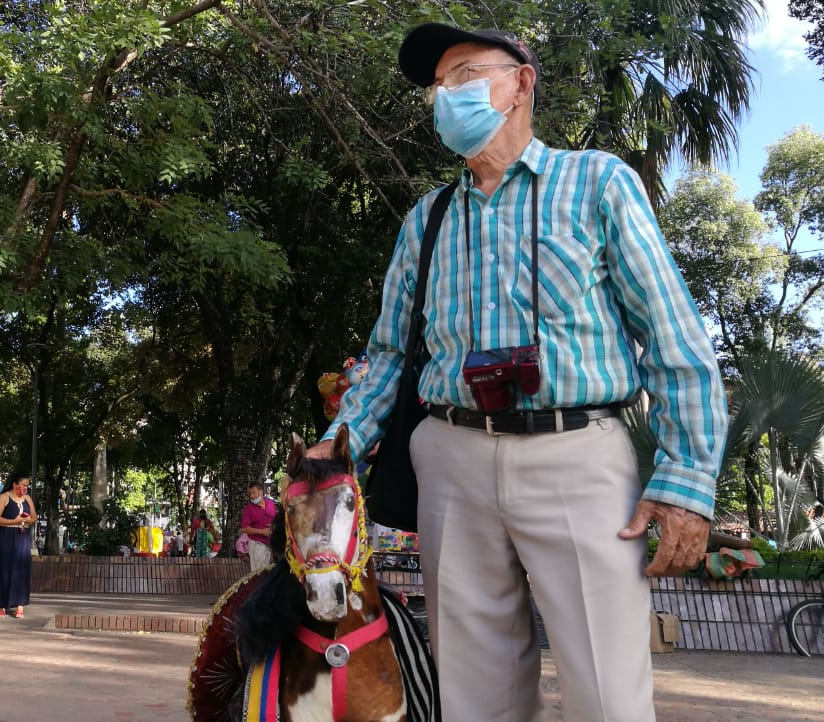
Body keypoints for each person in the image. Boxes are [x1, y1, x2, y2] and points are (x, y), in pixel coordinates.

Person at [309, 24, 727, 722]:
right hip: (451, 460)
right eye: (439, 87)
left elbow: (671, 335)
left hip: (579, 453)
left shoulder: (597, 182)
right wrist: (334, 447)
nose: (448, 96)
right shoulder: (426, 220)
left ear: (521, 82)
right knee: (473, 692)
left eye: (466, 74)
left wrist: (687, 480)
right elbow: (387, 356)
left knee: (606, 690)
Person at [0, 471, 36, 618]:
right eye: (23, 485)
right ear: (15, 485)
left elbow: (34, 517)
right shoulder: (4, 497)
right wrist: (13, 521)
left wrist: (27, 520)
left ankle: (20, 604)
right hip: (7, 536)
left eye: (27, 486)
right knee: (4, 568)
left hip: (22, 537)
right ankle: (1, 604)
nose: (25, 488)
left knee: (21, 569)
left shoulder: (27, 499)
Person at [238, 482, 276, 570]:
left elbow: (275, 519)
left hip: (270, 544)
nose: (251, 495)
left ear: (261, 492)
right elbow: (244, 528)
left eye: (253, 492)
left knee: (268, 571)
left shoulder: (271, 504)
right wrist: (262, 531)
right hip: (257, 544)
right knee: (258, 572)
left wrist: (274, 525)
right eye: (250, 494)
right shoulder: (249, 508)